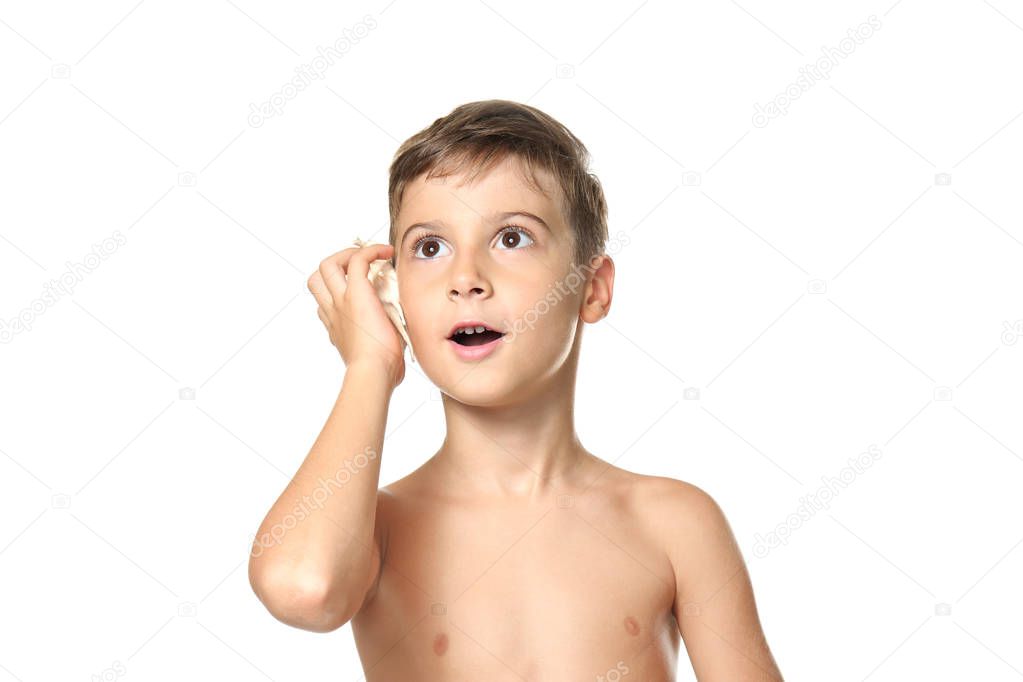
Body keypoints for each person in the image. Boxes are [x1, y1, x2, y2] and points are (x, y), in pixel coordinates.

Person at [248, 99, 783, 680]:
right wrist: (369, 366)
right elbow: (304, 590)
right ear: (392, 295)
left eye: (511, 238)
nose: (466, 280)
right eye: (430, 247)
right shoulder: (378, 531)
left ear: (592, 288)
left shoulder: (672, 523)